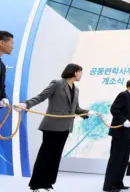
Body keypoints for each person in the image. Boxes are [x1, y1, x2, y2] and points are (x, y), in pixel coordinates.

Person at [14, 63, 95, 191]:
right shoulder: (57, 84)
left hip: (65, 128)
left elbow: (75, 108)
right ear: (73, 72)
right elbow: (41, 96)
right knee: (45, 156)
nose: (81, 75)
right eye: (80, 72)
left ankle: (47, 184)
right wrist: (26, 104)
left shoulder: (76, 89)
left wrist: (87, 112)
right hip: (52, 126)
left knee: (55, 157)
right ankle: (36, 185)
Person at [0, 31, 14, 110]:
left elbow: (1, 87)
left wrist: (3, 98)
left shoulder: (2, 66)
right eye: (11, 43)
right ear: (2, 43)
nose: (12, 47)